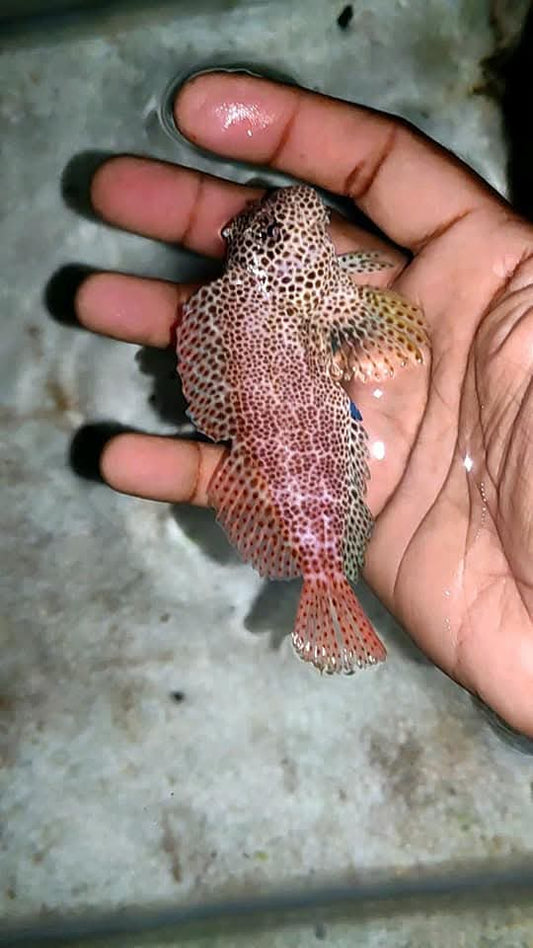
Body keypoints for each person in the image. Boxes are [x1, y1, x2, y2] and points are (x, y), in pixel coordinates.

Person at [74, 73, 533, 737]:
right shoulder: (309, 301)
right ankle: (323, 577)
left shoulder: (285, 300)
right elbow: (385, 335)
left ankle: (323, 574)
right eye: (271, 242)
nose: (289, 225)